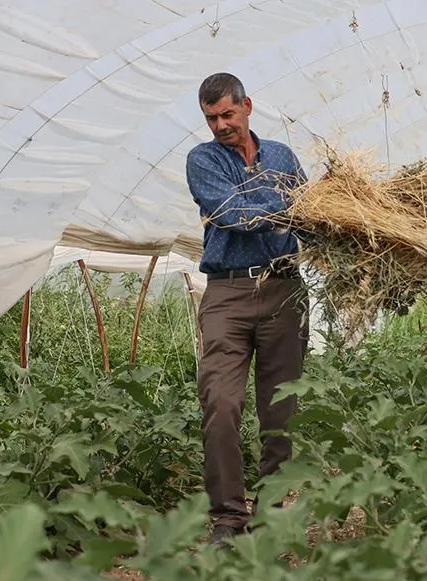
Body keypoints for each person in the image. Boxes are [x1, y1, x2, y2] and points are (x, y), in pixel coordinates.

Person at [185, 72, 310, 546]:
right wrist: (283, 207)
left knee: (281, 409)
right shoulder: (202, 159)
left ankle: (270, 511)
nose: (220, 125)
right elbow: (230, 211)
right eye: (211, 118)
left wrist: (295, 210)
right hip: (228, 295)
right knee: (220, 401)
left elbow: (311, 210)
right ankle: (228, 518)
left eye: (227, 114)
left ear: (247, 106)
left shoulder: (281, 155)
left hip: (283, 290)